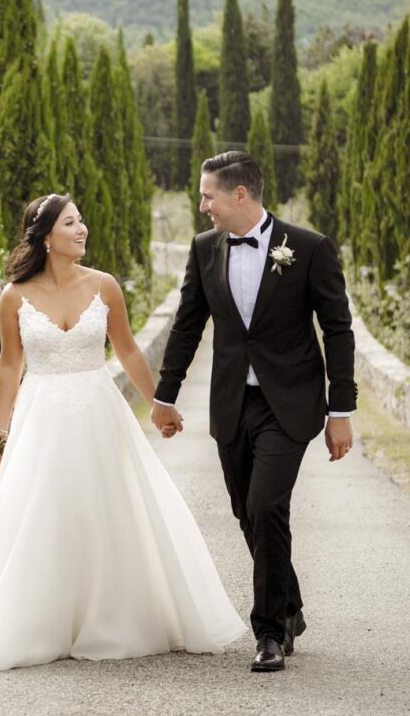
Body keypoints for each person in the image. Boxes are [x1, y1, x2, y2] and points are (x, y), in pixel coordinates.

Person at [0, 192, 246, 671]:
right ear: (47, 237)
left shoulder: (105, 285)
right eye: (71, 223)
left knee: (107, 507)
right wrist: (0, 431)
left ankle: (112, 616)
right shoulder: (14, 296)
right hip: (41, 414)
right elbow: (10, 366)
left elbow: (128, 351)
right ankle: (43, 622)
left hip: (98, 411)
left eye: (81, 220)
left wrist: (160, 403)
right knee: (45, 511)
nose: (82, 229)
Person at [151, 151, 357, 673]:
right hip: (231, 403)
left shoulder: (308, 249)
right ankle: (289, 604)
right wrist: (166, 395)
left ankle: (268, 632)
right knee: (249, 512)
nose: (202, 206)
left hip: (289, 403)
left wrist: (341, 409)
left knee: (266, 505)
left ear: (238, 193)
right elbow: (187, 325)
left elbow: (337, 330)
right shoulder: (204, 250)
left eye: (207, 195)